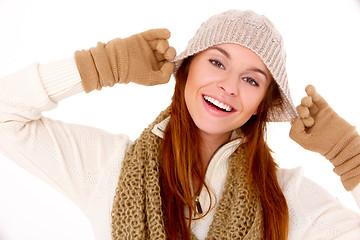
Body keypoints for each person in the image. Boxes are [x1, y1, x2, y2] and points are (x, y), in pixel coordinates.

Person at [0, 9, 359, 240]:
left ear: (260, 106)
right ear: (185, 70)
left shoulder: (286, 197)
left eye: (252, 81)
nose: (229, 87)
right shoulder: (106, 164)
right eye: (217, 63)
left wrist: (349, 155)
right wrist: (103, 65)